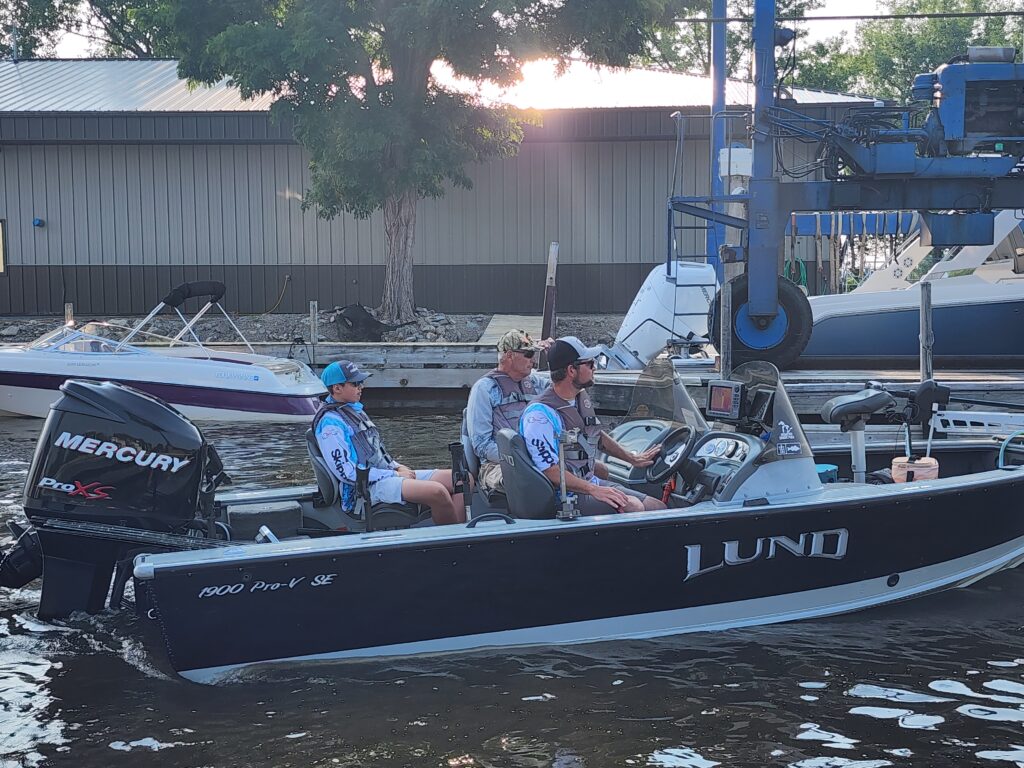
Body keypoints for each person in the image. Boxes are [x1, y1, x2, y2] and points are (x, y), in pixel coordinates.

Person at [519, 336, 666, 515]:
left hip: (588, 483)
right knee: (633, 506)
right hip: (563, 496)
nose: (595, 367)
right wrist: (594, 490)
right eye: (589, 363)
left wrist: (633, 459)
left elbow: (595, 435)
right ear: (571, 370)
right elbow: (550, 471)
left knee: (657, 507)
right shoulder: (539, 416)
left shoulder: (578, 398)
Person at [313, 360, 467, 525]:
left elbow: (375, 452)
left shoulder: (354, 411)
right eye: (355, 383)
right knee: (437, 492)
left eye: (361, 382)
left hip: (385, 475)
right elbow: (347, 473)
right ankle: (454, 537)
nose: (361, 387)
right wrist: (395, 474)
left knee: (463, 479)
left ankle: (459, 530)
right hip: (363, 490)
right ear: (337, 388)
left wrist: (397, 467)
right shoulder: (330, 426)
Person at [465, 329, 550, 494]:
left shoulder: (536, 383)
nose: (533, 360)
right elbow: (481, 445)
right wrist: (523, 460)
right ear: (510, 355)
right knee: (527, 480)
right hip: (496, 465)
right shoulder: (484, 389)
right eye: (528, 354)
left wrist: (555, 359)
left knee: (568, 472)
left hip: (538, 458)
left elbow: (563, 391)